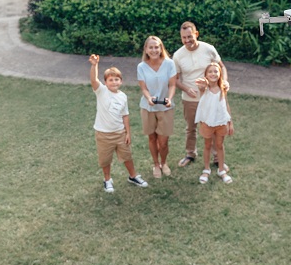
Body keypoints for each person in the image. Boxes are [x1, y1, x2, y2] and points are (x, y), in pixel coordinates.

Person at [88, 54, 149, 193]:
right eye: (110, 80)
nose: (114, 82)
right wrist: (94, 65)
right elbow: (93, 79)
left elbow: (125, 115)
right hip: (103, 134)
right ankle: (107, 180)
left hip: (120, 133)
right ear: (105, 82)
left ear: (121, 81)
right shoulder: (101, 91)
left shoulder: (123, 96)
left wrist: (128, 133)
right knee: (105, 160)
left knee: (127, 156)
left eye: (116, 79)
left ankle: (133, 176)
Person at [173, 21, 228, 168]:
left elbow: (222, 67)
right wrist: (186, 89)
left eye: (189, 36)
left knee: (214, 126)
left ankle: (217, 158)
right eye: (184, 38)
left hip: (211, 97)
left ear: (196, 34)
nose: (187, 40)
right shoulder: (178, 55)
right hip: (190, 99)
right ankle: (190, 154)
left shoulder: (208, 49)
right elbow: (175, 80)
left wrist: (224, 82)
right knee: (191, 128)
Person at [137, 36, 177, 179]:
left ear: (161, 48)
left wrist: (169, 98)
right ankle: (156, 164)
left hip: (165, 108)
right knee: (152, 138)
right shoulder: (141, 66)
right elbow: (144, 88)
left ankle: (164, 162)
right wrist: (149, 98)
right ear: (146, 49)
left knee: (163, 142)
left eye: (156, 47)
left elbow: (172, 85)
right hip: (148, 108)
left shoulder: (169, 64)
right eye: (151, 47)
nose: (154, 50)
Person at [195, 62, 234, 184]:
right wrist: (203, 84)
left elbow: (226, 104)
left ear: (220, 74)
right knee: (207, 145)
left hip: (221, 122)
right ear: (206, 74)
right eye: (210, 72)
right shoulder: (204, 88)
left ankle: (221, 170)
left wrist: (230, 122)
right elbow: (201, 86)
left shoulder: (223, 88)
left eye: (216, 71)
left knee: (220, 145)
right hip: (207, 122)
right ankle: (206, 169)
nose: (213, 74)